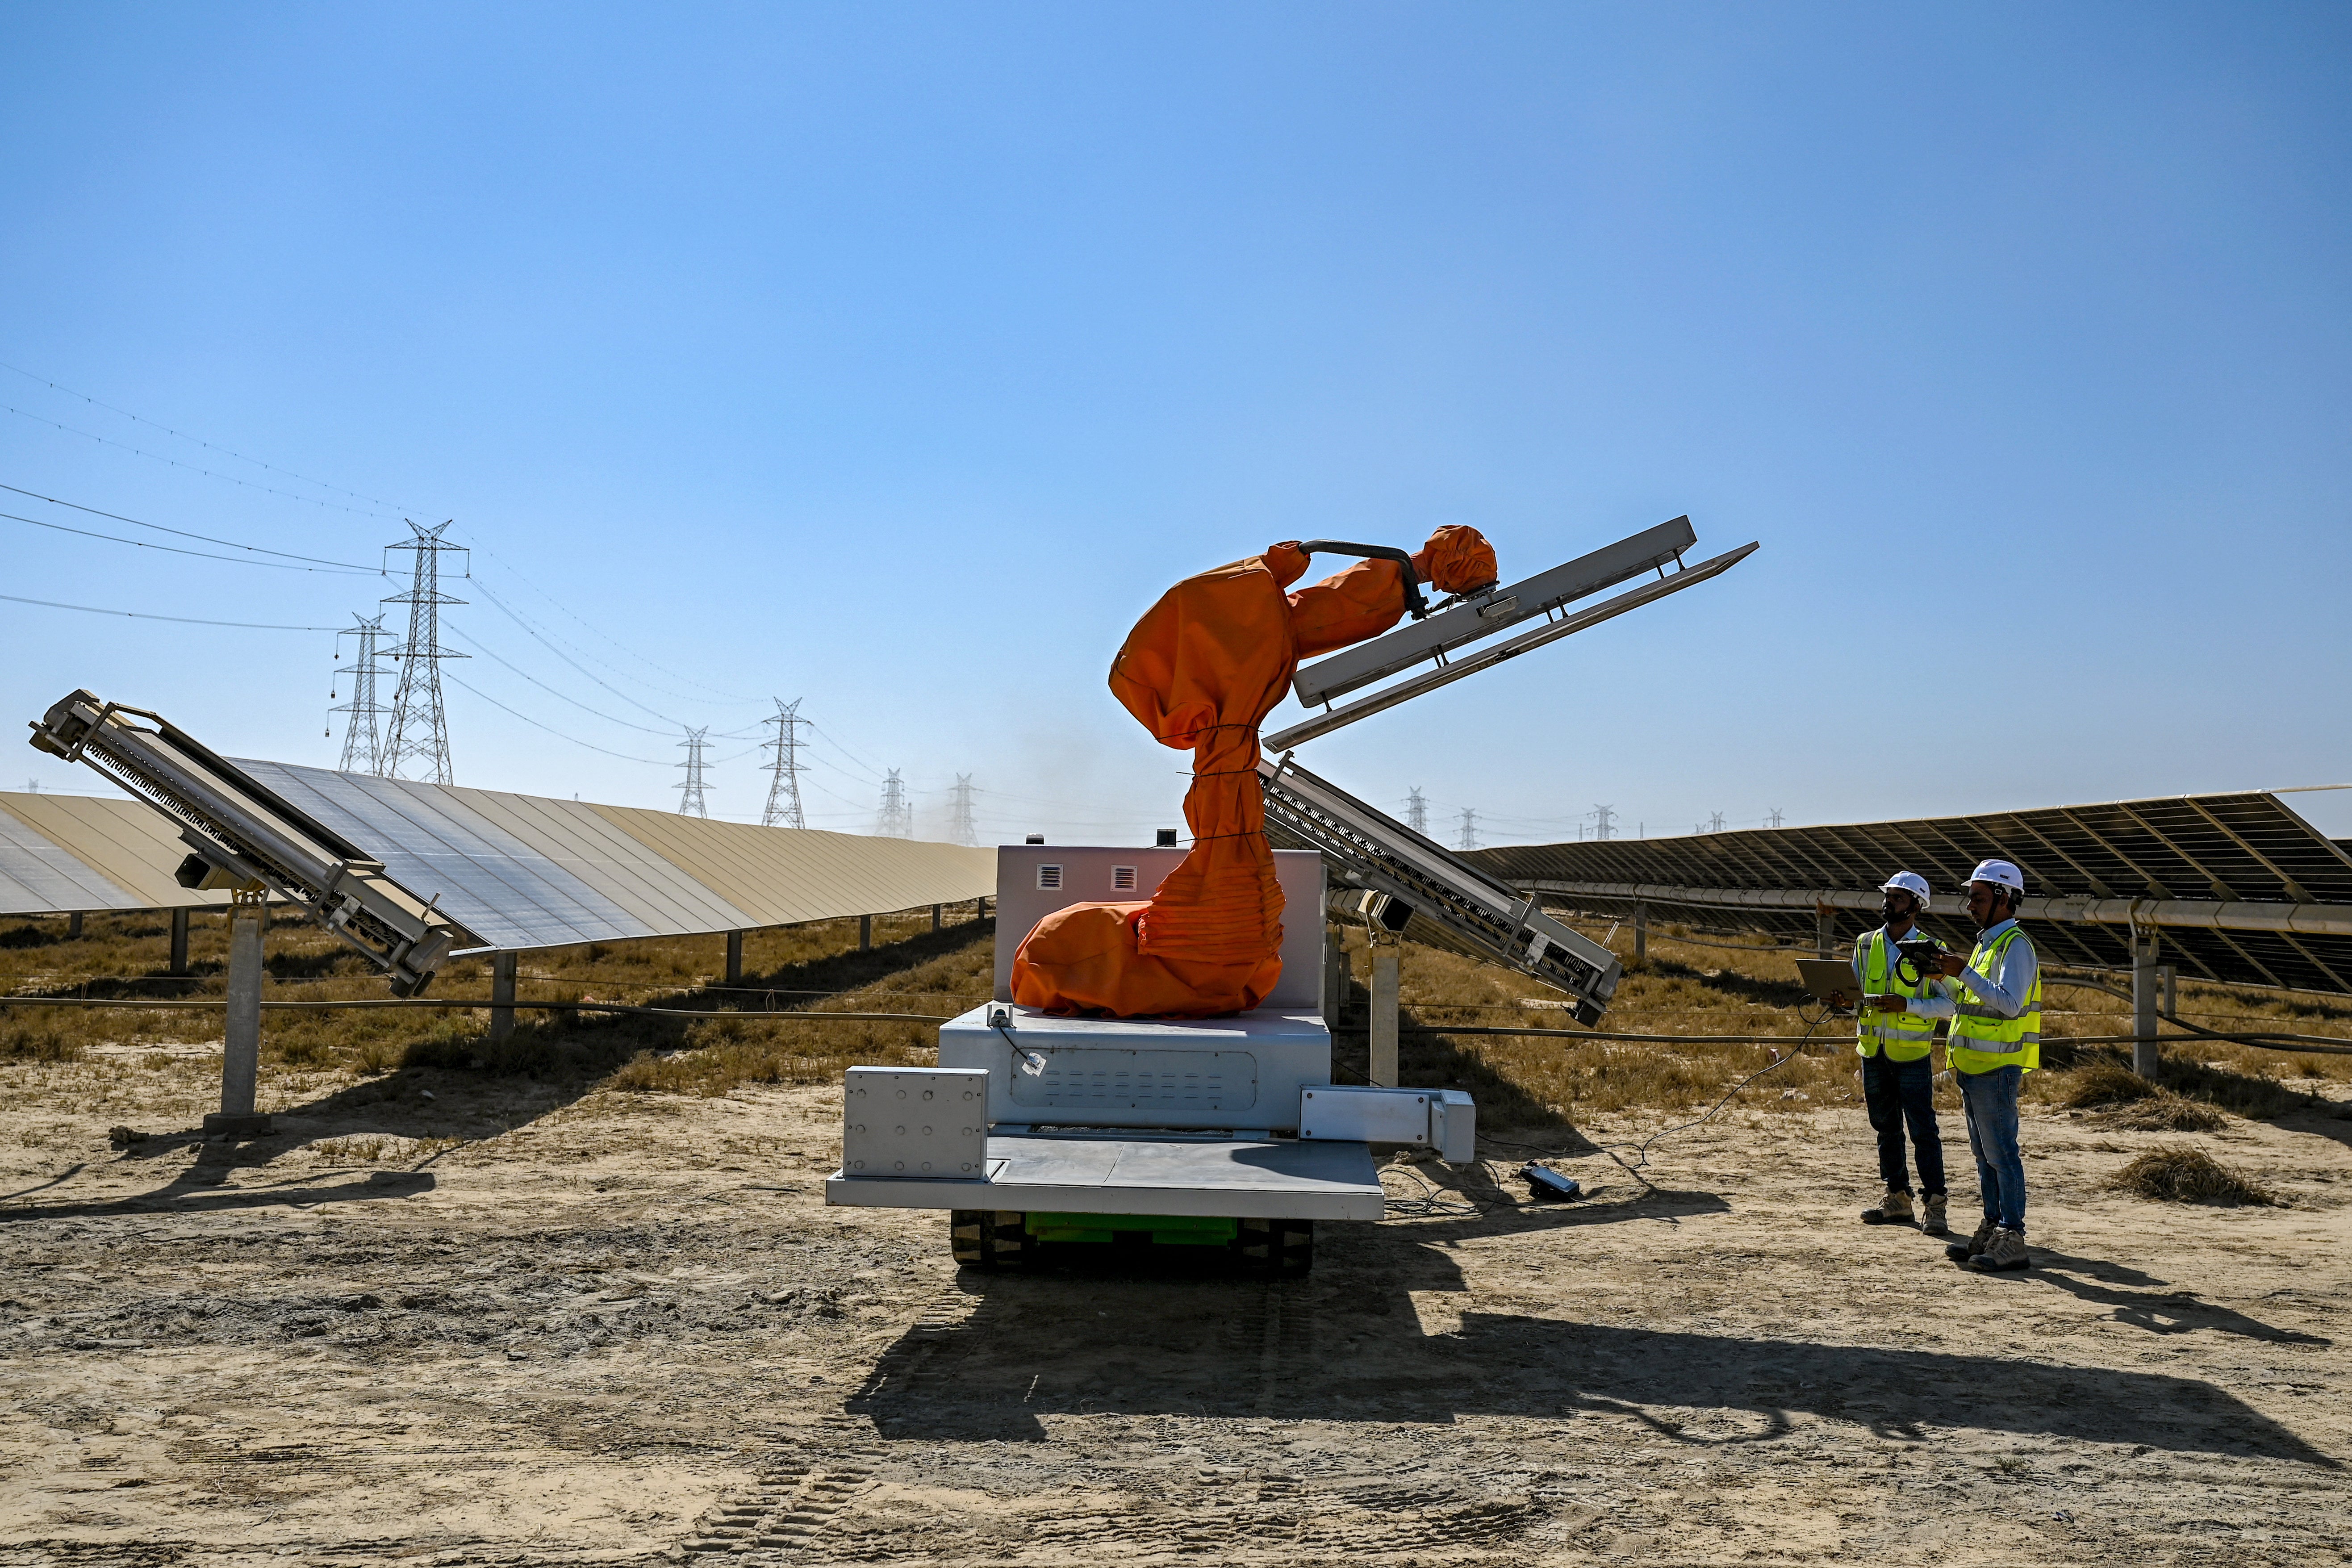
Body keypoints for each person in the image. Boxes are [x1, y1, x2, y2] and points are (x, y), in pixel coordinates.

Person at [1826, 872, 1953, 1235]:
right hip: (1872, 1050)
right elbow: (1857, 998)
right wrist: (1842, 1003)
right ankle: (1897, 1197)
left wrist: (1907, 1005)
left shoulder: (1933, 949)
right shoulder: (1865, 944)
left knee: (1922, 1130)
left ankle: (1935, 1204)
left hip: (1911, 1054)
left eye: (1898, 898)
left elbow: (1947, 1005)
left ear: (1916, 906)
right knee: (1885, 1128)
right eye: (1889, 896)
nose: (1889, 902)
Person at [1934, 858, 2042, 1272]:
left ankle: (2012, 1236)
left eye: (1977, 898)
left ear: (2003, 898)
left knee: (2002, 1154)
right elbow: (1973, 999)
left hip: (1997, 1068)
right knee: (1984, 1155)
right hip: (1974, 1066)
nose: (1969, 906)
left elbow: (2009, 1004)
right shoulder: (1985, 945)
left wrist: (1964, 971)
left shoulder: (2016, 946)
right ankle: (1993, 1226)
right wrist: (1944, 977)